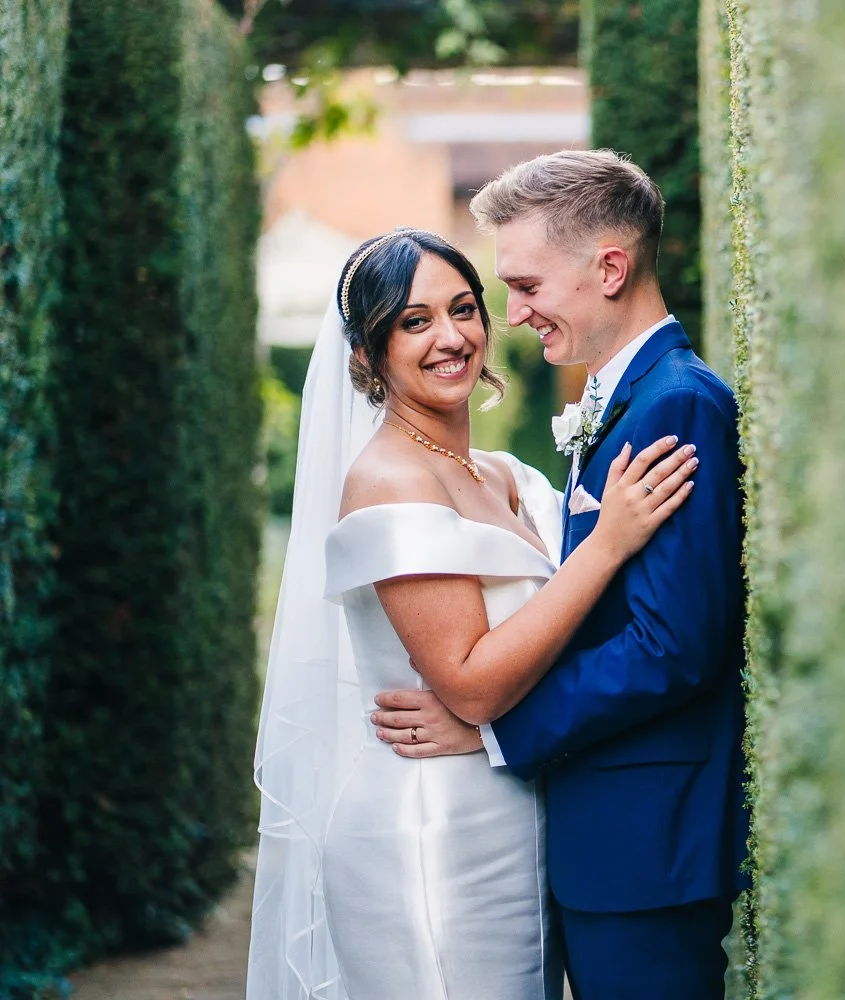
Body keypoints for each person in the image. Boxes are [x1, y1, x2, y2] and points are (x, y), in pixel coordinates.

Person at [246, 227, 697, 1000]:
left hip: (517, 808)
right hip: (430, 829)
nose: (451, 337)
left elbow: (572, 631)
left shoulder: (504, 475)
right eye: (413, 322)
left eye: (463, 309)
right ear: (366, 356)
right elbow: (474, 686)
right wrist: (607, 544)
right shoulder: (388, 481)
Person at [370, 150, 750, 998]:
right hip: (609, 835)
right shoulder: (624, 397)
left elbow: (672, 646)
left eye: (529, 285)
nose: (515, 313)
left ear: (609, 268)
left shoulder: (675, 403)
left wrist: (495, 730)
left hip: (649, 843)